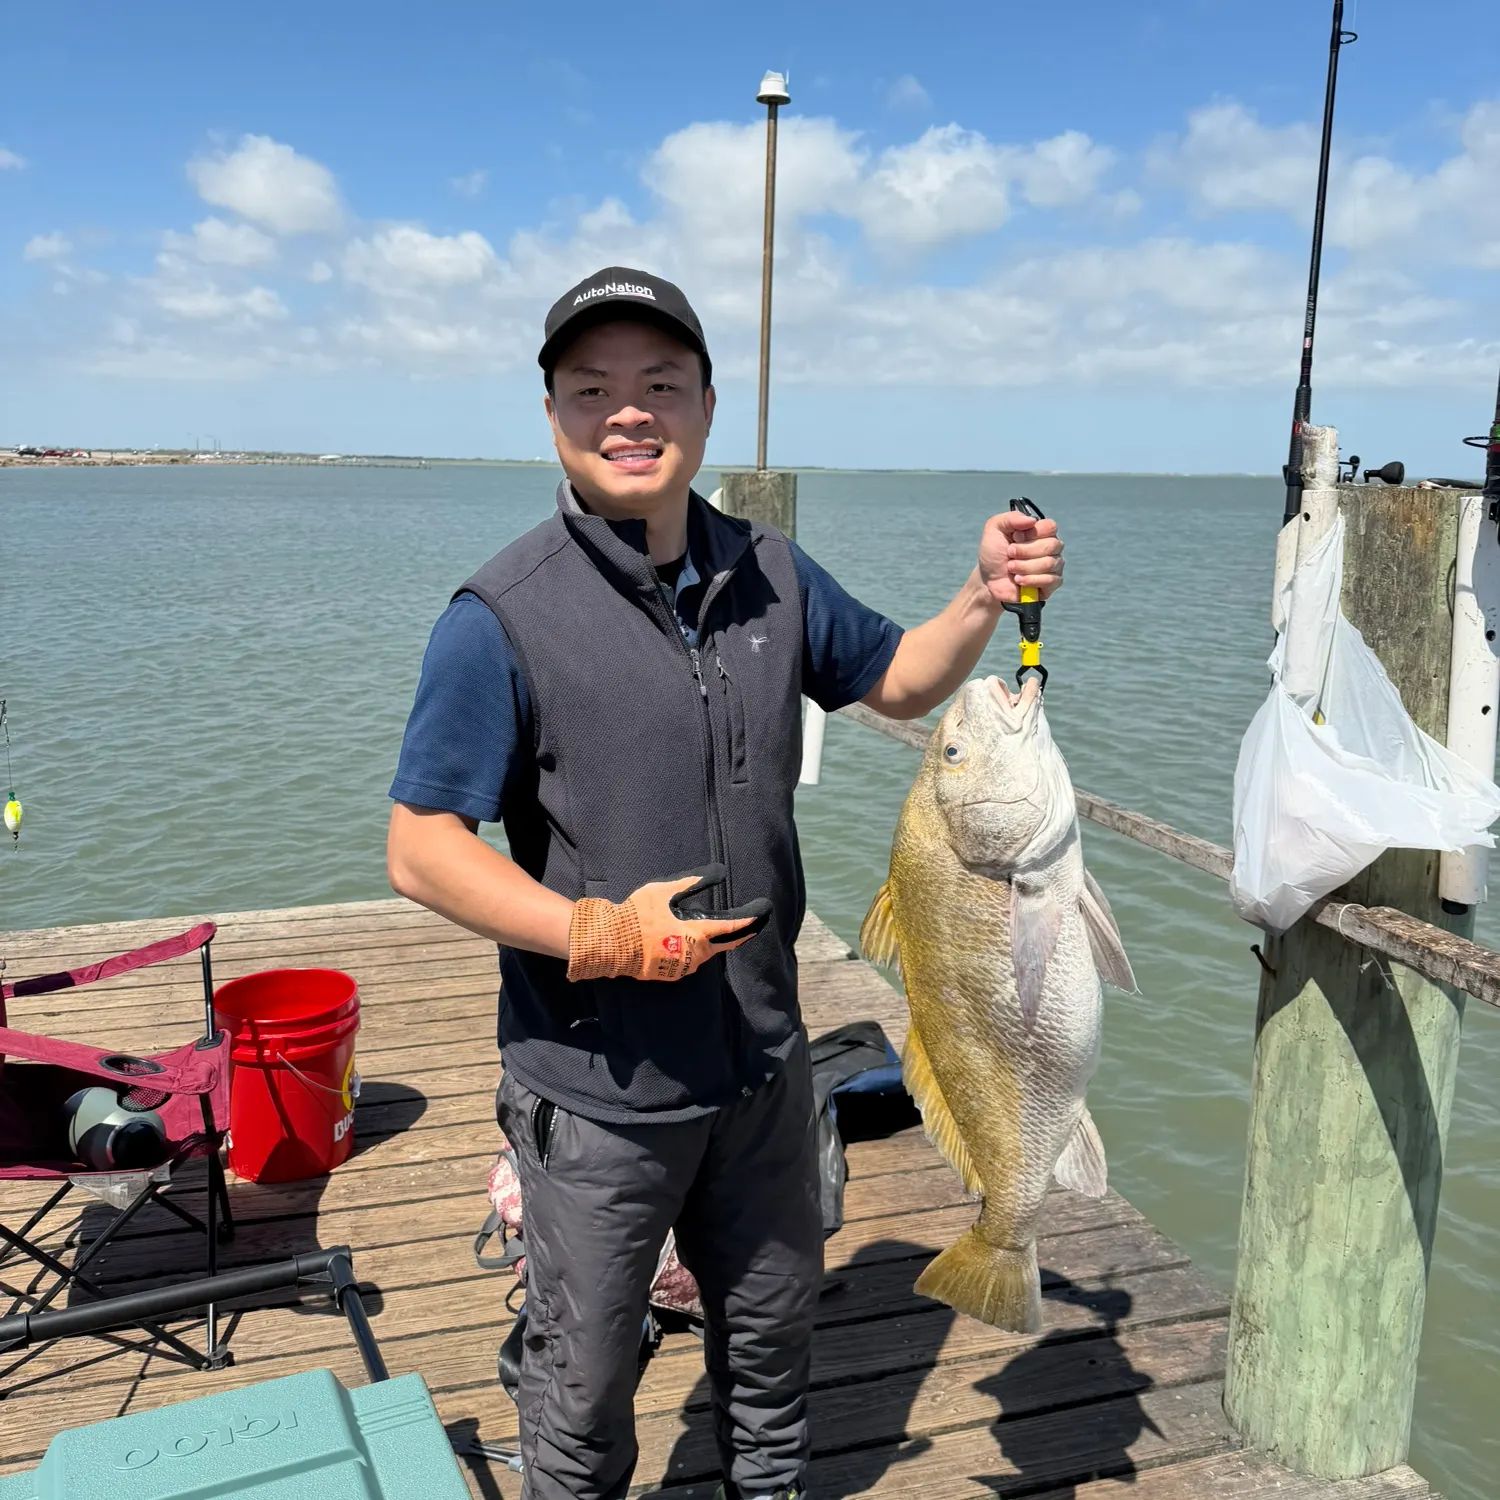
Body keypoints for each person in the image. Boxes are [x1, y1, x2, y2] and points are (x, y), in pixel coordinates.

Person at [386, 266, 1064, 1500]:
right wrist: (590, 931)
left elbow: (900, 683)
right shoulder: (499, 615)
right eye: (593, 390)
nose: (628, 413)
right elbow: (421, 843)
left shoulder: (773, 573)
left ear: (706, 406)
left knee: (772, 1363)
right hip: (595, 1096)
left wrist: (979, 596)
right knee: (581, 1397)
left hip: (763, 1069)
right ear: (553, 417)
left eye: (659, 386)